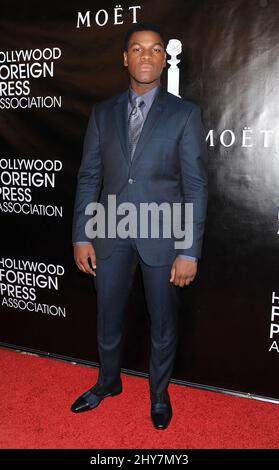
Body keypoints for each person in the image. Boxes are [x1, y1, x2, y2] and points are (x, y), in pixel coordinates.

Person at [71, 22, 208, 430]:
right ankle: (108, 383)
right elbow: (88, 177)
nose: (146, 56)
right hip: (108, 231)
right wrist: (82, 234)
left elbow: (196, 186)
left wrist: (188, 249)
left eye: (155, 49)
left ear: (164, 59)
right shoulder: (102, 113)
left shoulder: (185, 114)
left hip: (163, 236)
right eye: (137, 48)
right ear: (124, 58)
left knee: (163, 321)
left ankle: (159, 394)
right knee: (107, 315)